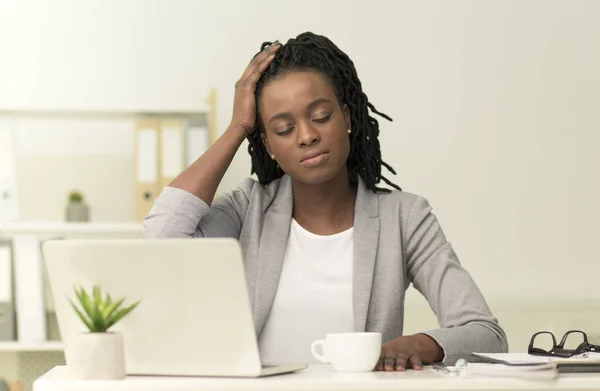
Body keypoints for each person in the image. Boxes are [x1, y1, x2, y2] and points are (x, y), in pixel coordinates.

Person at [143, 31, 508, 371]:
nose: (306, 136)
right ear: (268, 145)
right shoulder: (247, 209)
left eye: (321, 116)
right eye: (283, 129)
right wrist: (238, 126)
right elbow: (161, 240)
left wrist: (419, 343)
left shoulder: (405, 218)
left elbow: (486, 334)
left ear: (347, 117)